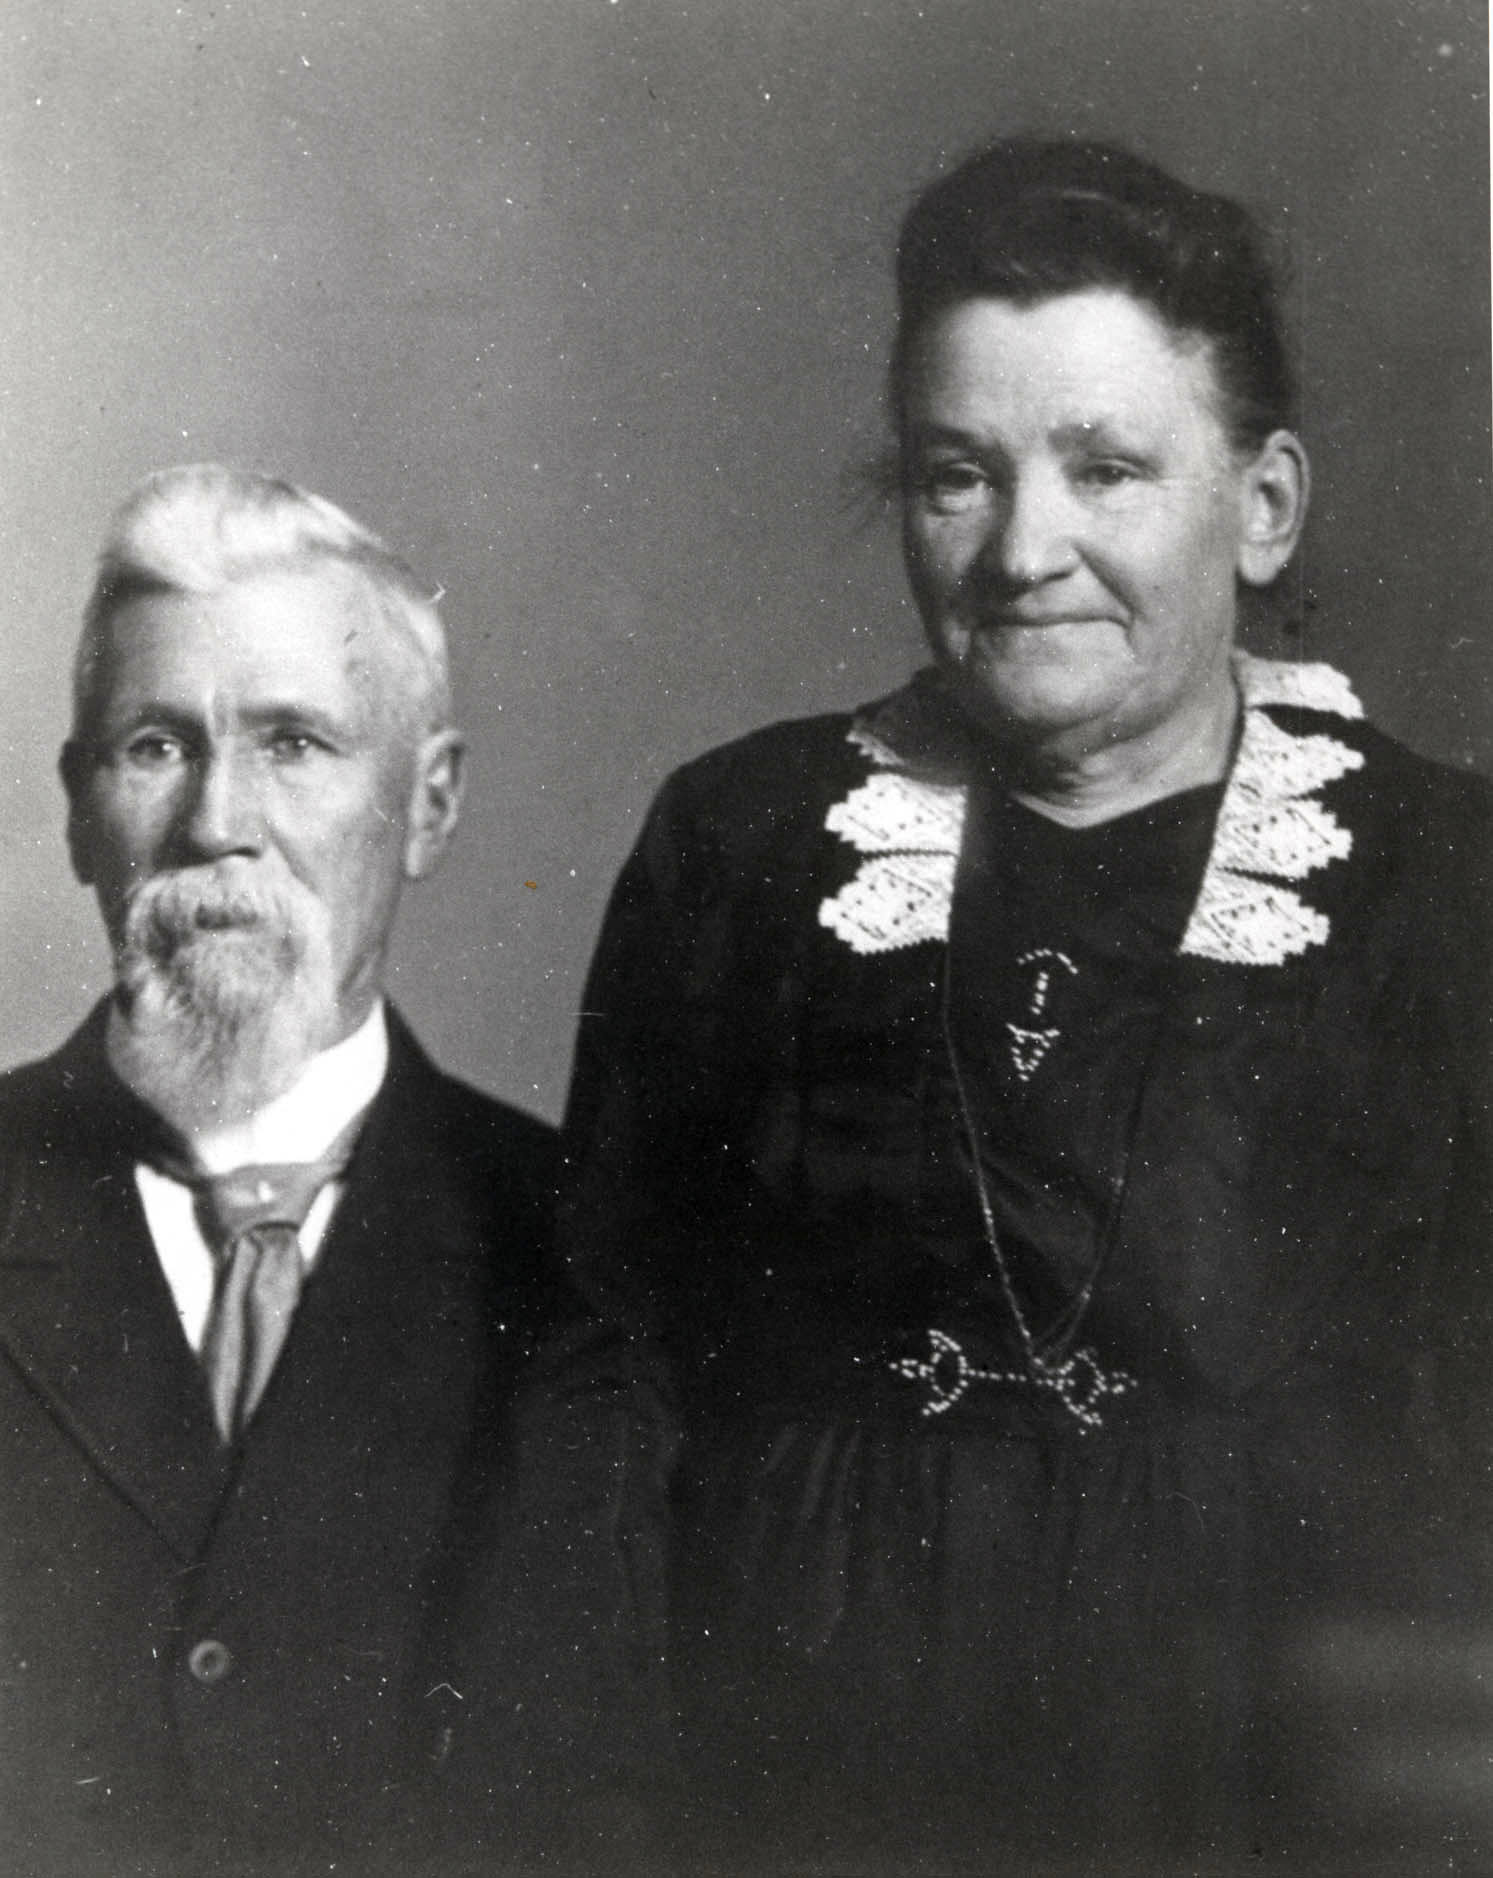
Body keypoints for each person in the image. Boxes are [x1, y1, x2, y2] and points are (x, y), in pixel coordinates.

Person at [560, 140, 1493, 1868]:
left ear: (1263, 505)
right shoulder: (741, 844)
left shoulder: (1446, 882)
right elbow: (607, 1373)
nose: (1020, 549)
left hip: (1283, 1793)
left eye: (1105, 468)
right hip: (809, 1790)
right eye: (955, 476)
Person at [0, 466, 664, 1877]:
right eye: (156, 747)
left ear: (428, 804)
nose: (217, 822)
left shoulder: (592, 1258)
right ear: (75, 808)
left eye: (293, 744)